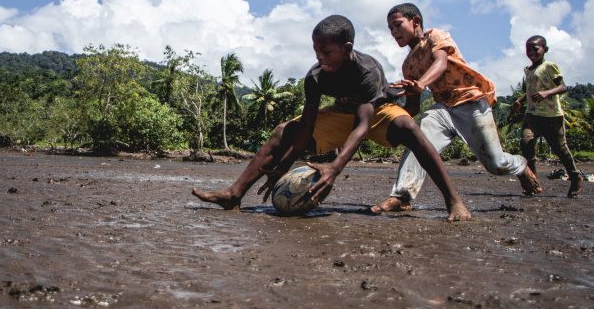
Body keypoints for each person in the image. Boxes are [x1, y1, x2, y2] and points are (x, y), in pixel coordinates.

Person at [192, 14, 471, 221]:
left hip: (376, 111)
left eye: (326, 51)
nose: (320, 57)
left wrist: (335, 168)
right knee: (282, 131)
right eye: (316, 50)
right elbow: (306, 128)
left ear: (347, 48)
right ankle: (234, 194)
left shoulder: (367, 70)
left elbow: (362, 125)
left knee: (409, 127)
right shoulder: (315, 77)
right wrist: (286, 164)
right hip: (341, 114)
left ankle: (453, 201)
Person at [371, 3, 541, 214]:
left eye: (397, 25)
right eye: (390, 29)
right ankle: (401, 196)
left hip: (470, 101)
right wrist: (390, 120)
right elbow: (412, 106)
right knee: (418, 138)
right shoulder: (408, 66)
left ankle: (521, 165)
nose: (393, 32)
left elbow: (440, 63)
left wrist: (421, 84)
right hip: (443, 109)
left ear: (415, 21)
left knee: (496, 164)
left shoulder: (436, 37)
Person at [512, 35, 583, 197]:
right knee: (526, 142)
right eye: (528, 50)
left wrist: (547, 93)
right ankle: (533, 182)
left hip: (552, 116)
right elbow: (530, 91)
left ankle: (575, 177)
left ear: (545, 49)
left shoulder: (550, 66)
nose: (531, 52)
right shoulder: (528, 70)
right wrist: (520, 100)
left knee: (561, 149)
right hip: (532, 115)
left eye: (535, 49)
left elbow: (563, 87)